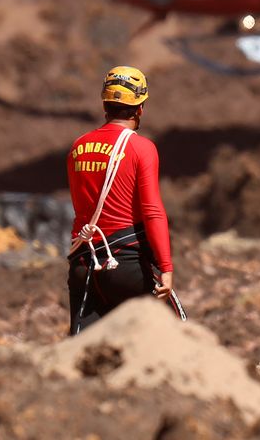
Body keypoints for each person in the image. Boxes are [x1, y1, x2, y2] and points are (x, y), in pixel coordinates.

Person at [66, 65, 184, 334]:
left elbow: (81, 205)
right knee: (174, 335)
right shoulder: (142, 148)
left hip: (83, 265)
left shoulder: (78, 146)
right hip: (126, 264)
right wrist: (166, 266)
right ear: (139, 108)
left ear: (105, 104)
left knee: (83, 353)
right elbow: (152, 210)